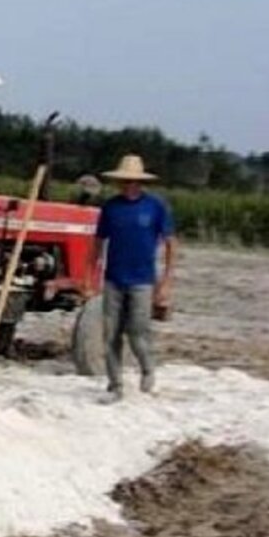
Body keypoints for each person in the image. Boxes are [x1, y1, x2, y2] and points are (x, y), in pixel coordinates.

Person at [85, 154, 177, 398]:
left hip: (142, 280)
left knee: (138, 332)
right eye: (122, 181)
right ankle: (115, 384)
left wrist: (166, 281)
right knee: (110, 334)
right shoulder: (110, 208)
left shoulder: (155, 207)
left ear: (139, 182)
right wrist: (89, 274)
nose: (126, 185)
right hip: (113, 278)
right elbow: (97, 242)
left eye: (130, 181)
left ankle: (147, 368)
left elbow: (170, 243)